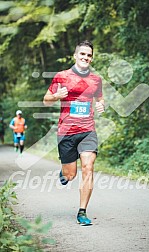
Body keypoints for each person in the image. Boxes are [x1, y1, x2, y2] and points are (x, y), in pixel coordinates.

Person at [43, 40, 105, 226]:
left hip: (87, 130)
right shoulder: (62, 76)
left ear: (91, 58)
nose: (86, 57)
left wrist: (101, 104)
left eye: (89, 55)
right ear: (75, 56)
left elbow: (100, 99)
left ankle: (82, 211)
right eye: (83, 54)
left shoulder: (96, 79)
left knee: (88, 166)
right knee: (71, 175)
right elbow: (46, 100)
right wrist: (56, 96)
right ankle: (65, 173)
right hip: (67, 131)